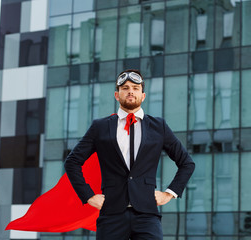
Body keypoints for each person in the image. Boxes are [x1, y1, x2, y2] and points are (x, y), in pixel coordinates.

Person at [64, 69, 195, 240]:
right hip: (111, 213)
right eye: (125, 88)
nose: (131, 91)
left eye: (135, 88)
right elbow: (72, 162)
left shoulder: (159, 126)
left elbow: (187, 163)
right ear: (117, 95)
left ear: (143, 95)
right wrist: (88, 196)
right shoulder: (100, 127)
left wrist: (169, 193)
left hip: (147, 214)